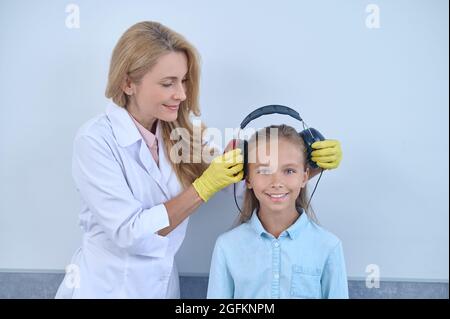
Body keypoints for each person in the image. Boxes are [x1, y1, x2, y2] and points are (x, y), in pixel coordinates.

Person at [56, 21, 342, 298]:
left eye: (183, 81)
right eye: (168, 83)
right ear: (128, 83)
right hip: (104, 288)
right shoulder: (95, 141)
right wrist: (202, 187)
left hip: (161, 287)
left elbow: (251, 183)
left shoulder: (184, 135)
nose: (181, 94)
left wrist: (311, 165)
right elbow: (129, 233)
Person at [207, 125, 348, 299]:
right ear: (248, 179)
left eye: (289, 171)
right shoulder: (227, 247)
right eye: (264, 170)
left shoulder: (329, 246)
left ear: (304, 177)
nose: (277, 182)